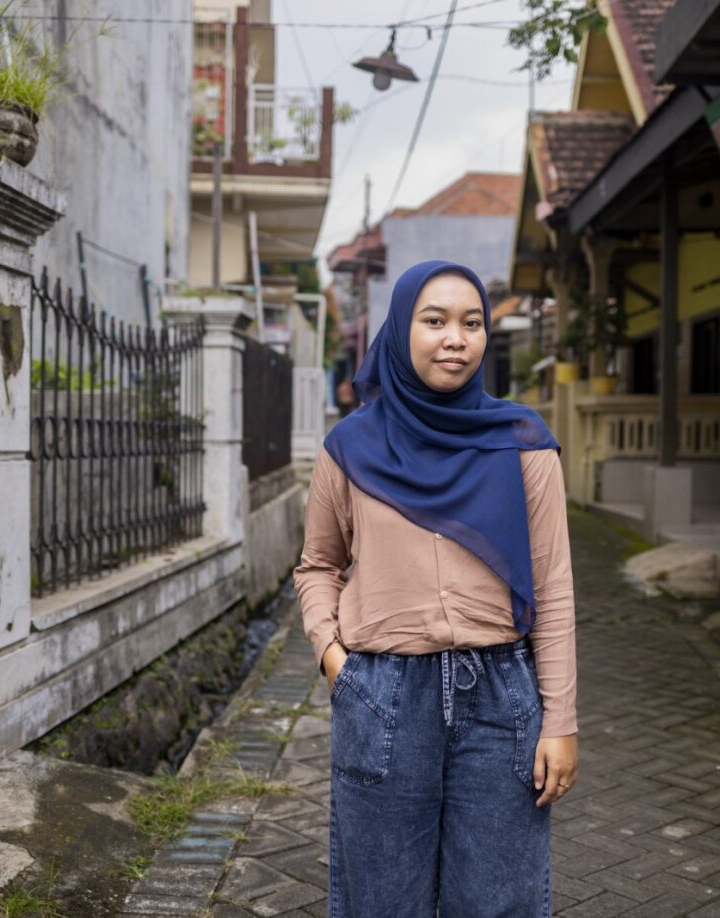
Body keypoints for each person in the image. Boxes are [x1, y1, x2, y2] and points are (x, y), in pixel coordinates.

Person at [294, 259, 578, 916]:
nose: (456, 337)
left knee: (497, 902)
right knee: (383, 902)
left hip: (503, 696)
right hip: (383, 695)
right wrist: (338, 663)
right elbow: (317, 566)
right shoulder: (349, 448)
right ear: (400, 330)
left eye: (471, 323)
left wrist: (560, 721)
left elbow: (555, 590)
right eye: (435, 321)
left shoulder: (524, 443)